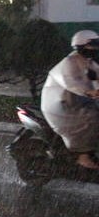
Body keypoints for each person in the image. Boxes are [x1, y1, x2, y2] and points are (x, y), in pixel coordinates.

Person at [40, 29, 99, 170]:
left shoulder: (88, 62)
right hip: (60, 104)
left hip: (78, 101)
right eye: (92, 45)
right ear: (81, 47)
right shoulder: (69, 62)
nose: (95, 48)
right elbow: (71, 83)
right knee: (91, 117)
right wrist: (90, 92)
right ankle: (82, 156)